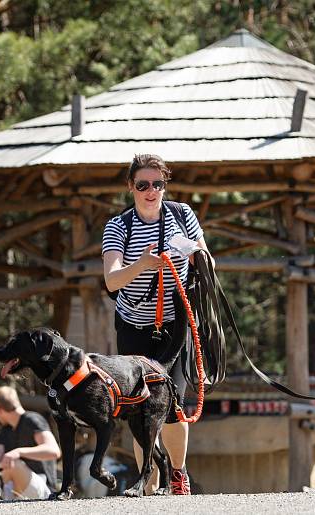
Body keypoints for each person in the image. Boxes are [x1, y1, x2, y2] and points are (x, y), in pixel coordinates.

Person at [102, 154, 212, 495]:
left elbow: (206, 259)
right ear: (131, 187)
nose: (151, 191)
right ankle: (148, 480)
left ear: (165, 185)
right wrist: (143, 264)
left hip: (176, 325)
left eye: (157, 184)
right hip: (134, 328)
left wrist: (199, 258)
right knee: (141, 408)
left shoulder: (182, 215)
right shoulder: (119, 226)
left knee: (174, 404)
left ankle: (178, 475)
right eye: (143, 185)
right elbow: (112, 280)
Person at [0, 386, 60, 500]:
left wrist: (19, 452)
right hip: (17, 489)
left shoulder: (33, 420)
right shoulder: (6, 430)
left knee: (13, 463)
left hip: (43, 487)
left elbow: (54, 451)